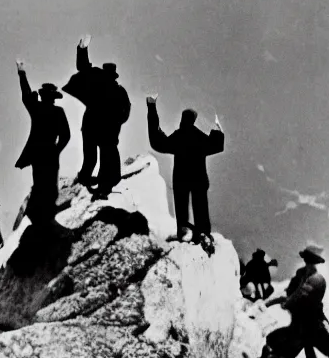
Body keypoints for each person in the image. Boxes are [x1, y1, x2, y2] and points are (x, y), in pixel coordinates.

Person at [146, 94, 224, 243]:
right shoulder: (199, 136)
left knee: (181, 208)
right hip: (199, 179)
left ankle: (183, 232)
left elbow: (158, 143)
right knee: (200, 206)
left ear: (183, 119)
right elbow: (216, 145)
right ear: (194, 120)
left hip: (180, 179)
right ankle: (203, 234)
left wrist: (151, 108)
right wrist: (217, 128)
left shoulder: (178, 136)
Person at [62, 35, 131, 199]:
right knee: (104, 157)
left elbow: (83, 67)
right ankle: (100, 184)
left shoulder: (98, 81)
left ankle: (94, 182)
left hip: (94, 127)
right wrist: (82, 49)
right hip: (101, 129)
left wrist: (82, 48)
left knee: (95, 156)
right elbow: (125, 112)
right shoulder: (116, 89)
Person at [253, 244, 329, 358]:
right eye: (307, 259)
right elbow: (290, 292)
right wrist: (273, 302)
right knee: (273, 341)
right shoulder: (300, 274)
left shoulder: (318, 280)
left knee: (287, 348)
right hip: (298, 324)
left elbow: (301, 297)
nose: (308, 262)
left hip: (309, 324)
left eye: (311, 259)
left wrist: (287, 302)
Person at [15, 58, 71, 224]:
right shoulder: (58, 111)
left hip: (37, 151)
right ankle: (47, 214)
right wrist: (57, 150)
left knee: (39, 181)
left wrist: (21, 73)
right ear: (53, 97)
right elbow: (66, 135)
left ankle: (38, 214)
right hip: (49, 151)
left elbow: (26, 94)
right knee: (49, 182)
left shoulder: (37, 108)